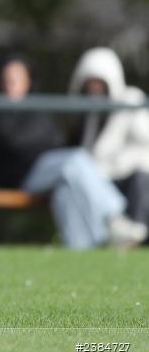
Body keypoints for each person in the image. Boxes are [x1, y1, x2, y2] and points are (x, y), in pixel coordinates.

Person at [0, 54, 146, 249]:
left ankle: (86, 249)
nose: (11, 83)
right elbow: (18, 144)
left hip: (45, 170)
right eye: (7, 78)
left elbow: (53, 139)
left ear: (28, 80)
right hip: (21, 176)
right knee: (75, 160)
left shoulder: (36, 107)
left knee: (64, 191)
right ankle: (115, 217)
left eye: (17, 77)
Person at [69, 47, 149, 235]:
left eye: (99, 82)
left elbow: (143, 139)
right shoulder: (90, 114)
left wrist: (112, 164)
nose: (94, 88)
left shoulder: (130, 99)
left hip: (130, 177)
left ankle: (133, 229)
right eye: (90, 83)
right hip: (105, 177)